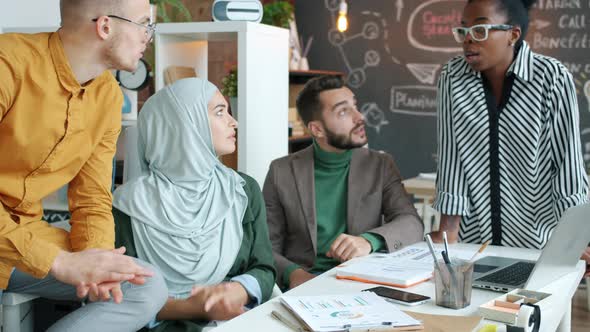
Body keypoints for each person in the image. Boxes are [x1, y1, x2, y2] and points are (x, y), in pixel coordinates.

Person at [0, 0, 168, 330]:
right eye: (144, 24)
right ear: (105, 26)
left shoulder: (107, 95)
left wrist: (98, 263)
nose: (149, 36)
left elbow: (92, 198)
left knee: (144, 286)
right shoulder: (8, 64)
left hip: (25, 239)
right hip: (19, 246)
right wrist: (57, 261)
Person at [112, 77, 276, 331]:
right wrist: (195, 307)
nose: (234, 122)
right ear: (182, 125)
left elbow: (264, 267)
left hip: (237, 321)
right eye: (220, 113)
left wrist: (239, 290)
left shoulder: (242, 191)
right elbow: (121, 296)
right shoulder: (127, 207)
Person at [432, 0, 589, 253]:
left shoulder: (551, 77)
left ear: (512, 34)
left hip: (539, 243)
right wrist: (447, 233)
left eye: (480, 30)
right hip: (474, 244)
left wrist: (574, 239)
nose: (468, 40)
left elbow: (566, 164)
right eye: (463, 30)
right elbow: (452, 158)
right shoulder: (453, 78)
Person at [264, 75, 424, 290]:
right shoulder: (281, 171)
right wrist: (294, 274)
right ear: (317, 129)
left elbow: (411, 223)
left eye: (355, 106)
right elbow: (265, 245)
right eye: (343, 111)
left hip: (363, 280)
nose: (360, 117)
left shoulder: (380, 164)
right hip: (305, 284)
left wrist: (369, 241)